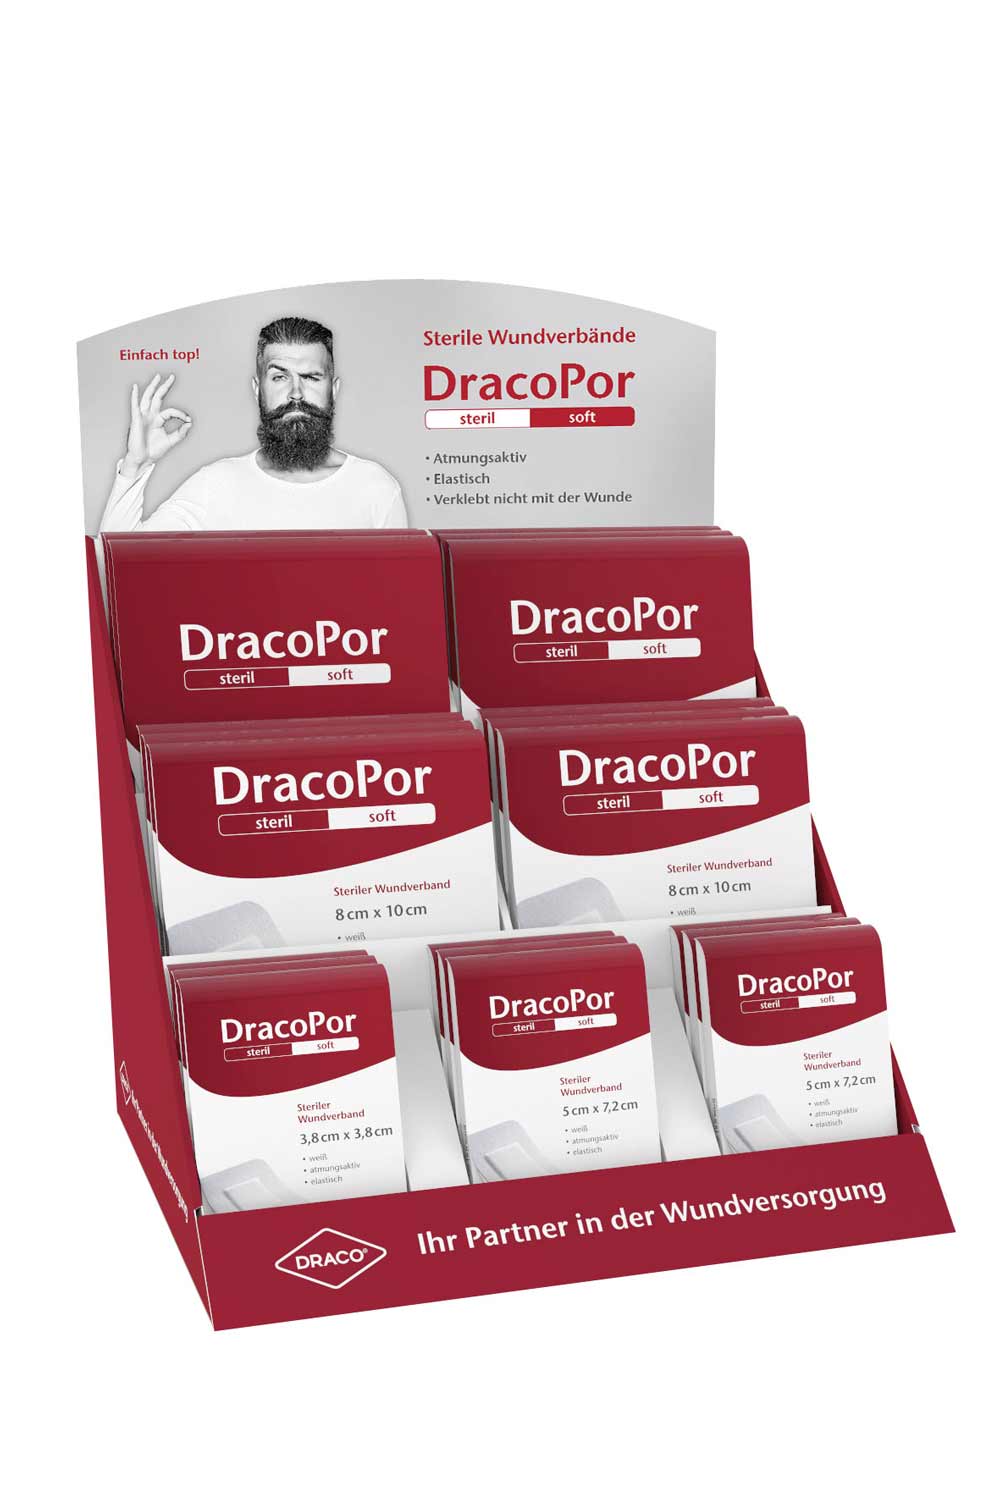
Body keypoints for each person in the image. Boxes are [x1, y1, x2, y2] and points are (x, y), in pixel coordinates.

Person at [98, 315, 407, 531]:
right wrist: (135, 466)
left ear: (333, 390)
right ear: (258, 389)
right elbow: (114, 570)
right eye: (279, 377)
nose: (296, 393)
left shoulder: (375, 488)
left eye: (312, 377)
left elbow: (399, 598)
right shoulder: (217, 485)